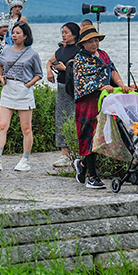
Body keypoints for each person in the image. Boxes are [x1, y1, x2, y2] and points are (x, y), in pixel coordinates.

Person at [73, 22, 132, 189]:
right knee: (89, 136)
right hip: (88, 102)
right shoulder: (80, 58)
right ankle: (92, 176)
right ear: (83, 43)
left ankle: (83, 165)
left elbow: (112, 70)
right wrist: (99, 86)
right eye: (90, 41)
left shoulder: (104, 55)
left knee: (102, 136)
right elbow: (81, 80)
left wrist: (121, 84)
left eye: (96, 40)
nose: (94, 44)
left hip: (105, 101)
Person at [0, 22, 44, 173]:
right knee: (2, 125)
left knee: (26, 128)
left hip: (23, 90)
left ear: (25, 36)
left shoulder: (32, 54)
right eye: (13, 33)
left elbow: (39, 74)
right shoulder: (6, 50)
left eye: (18, 33)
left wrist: (27, 85)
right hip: (8, 89)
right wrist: (0, 77)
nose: (14, 35)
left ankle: (25, 159)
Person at [46, 22, 81, 168]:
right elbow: (49, 60)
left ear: (74, 34)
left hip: (75, 88)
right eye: (63, 32)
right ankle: (64, 154)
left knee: (75, 118)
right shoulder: (60, 50)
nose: (64, 35)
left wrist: (65, 68)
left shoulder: (79, 50)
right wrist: (49, 70)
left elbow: (81, 71)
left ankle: (78, 152)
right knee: (61, 118)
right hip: (61, 87)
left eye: (66, 32)